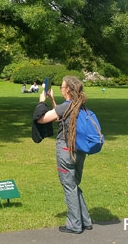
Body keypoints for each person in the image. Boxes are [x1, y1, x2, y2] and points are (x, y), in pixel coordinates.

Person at [36, 76, 93, 234]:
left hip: (66, 150)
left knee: (69, 187)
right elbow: (61, 117)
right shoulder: (79, 106)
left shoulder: (65, 107)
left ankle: (74, 224)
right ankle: (85, 220)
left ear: (68, 89)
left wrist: (42, 102)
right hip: (80, 151)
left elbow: (42, 119)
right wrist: (53, 99)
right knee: (74, 184)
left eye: (62, 87)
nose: (61, 89)